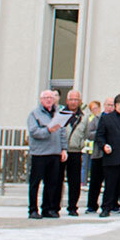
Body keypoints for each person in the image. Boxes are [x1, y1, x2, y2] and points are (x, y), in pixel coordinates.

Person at [25, 89, 66, 219]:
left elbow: (62, 132)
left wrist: (64, 149)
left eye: (51, 97)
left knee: (52, 183)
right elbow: (34, 132)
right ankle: (32, 209)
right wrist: (48, 130)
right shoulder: (34, 114)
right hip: (40, 154)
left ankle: (48, 209)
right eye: (46, 97)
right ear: (41, 100)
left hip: (55, 152)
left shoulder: (58, 113)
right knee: (35, 183)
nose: (49, 100)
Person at [61, 89, 87, 216]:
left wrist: (81, 143)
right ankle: (54, 206)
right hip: (61, 152)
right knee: (57, 180)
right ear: (67, 101)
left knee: (74, 181)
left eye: (76, 99)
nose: (73, 102)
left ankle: (72, 207)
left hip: (76, 151)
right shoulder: (60, 114)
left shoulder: (83, 117)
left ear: (80, 101)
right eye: (71, 99)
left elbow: (86, 133)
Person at [85, 97, 112, 213]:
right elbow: (88, 134)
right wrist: (101, 132)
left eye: (112, 105)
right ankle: (92, 205)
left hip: (111, 156)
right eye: (108, 105)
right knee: (95, 182)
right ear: (104, 106)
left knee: (111, 182)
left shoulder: (117, 119)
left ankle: (110, 204)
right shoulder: (96, 119)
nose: (110, 107)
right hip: (98, 154)